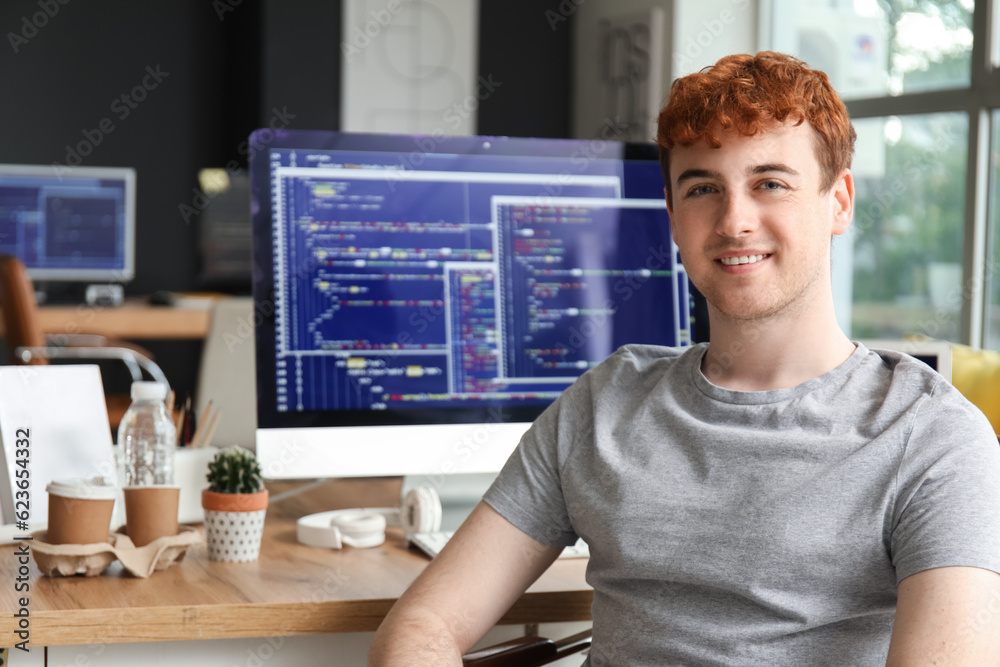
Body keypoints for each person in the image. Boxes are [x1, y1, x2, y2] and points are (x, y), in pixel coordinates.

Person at [367, 52, 1000, 666]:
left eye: (770, 183)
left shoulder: (934, 439)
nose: (734, 221)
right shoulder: (605, 402)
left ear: (838, 202)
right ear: (672, 214)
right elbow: (425, 622)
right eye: (702, 189)